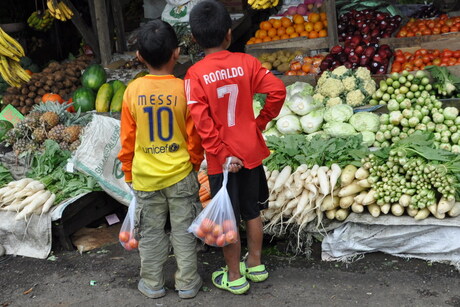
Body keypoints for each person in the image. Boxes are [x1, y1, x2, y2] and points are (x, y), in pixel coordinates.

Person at [185, 0, 286, 295]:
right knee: (252, 212)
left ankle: (234, 276)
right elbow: (278, 91)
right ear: (229, 34)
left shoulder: (194, 75)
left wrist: (221, 152)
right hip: (251, 152)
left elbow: (202, 122)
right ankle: (255, 264)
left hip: (222, 160)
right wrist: (261, 122)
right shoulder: (247, 63)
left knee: (227, 218)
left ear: (194, 39)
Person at [118, 19, 204, 299]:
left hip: (146, 178)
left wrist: (129, 173)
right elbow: (194, 137)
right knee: (184, 231)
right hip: (180, 174)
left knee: (152, 233)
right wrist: (192, 165)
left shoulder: (132, 91)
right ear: (177, 53)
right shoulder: (183, 88)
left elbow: (127, 139)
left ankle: (153, 284)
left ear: (139, 57)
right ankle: (187, 283)